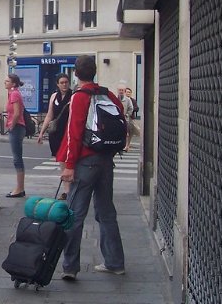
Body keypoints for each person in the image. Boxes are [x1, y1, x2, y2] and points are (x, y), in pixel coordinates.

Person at [58, 55, 126, 280]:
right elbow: (120, 122)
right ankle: (115, 262)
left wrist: (69, 166)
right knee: (107, 213)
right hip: (106, 161)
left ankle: (70, 267)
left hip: (85, 162)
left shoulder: (79, 97)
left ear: (76, 73)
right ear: (94, 71)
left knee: (75, 215)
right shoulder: (108, 95)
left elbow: (74, 133)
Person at [38, 73, 72, 199]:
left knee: (69, 160)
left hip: (68, 131)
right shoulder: (54, 96)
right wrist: (41, 132)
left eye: (66, 82)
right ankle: (67, 190)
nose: (64, 85)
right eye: (62, 82)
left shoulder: (73, 96)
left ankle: (71, 188)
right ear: (57, 84)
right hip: (57, 133)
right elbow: (49, 115)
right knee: (61, 161)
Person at [5, 73, 26, 198]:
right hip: (17, 127)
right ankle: (19, 187)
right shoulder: (13, 93)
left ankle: (19, 188)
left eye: (7, 81)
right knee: (17, 158)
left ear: (13, 83)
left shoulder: (14, 94)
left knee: (17, 158)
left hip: (17, 127)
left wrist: (11, 126)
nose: (5, 83)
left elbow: (17, 113)